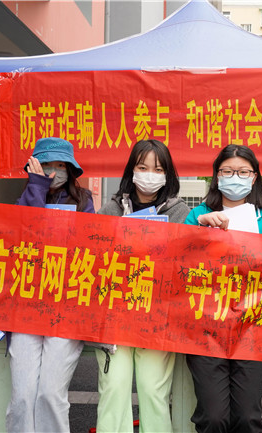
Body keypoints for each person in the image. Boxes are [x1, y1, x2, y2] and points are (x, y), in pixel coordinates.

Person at [184, 144, 262, 433]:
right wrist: (198, 227)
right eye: (227, 171)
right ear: (217, 176)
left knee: (247, 418)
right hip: (206, 329)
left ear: (254, 177)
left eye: (243, 172)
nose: (235, 177)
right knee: (212, 417)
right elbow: (178, 261)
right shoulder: (197, 215)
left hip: (253, 329)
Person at [95, 139, 190, 433]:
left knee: (153, 392)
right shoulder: (110, 209)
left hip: (157, 317)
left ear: (168, 174)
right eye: (143, 167)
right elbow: (94, 257)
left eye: (158, 169)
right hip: (114, 317)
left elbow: (185, 264)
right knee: (113, 389)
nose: (150, 175)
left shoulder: (181, 212)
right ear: (132, 170)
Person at [5, 137, 94, 433]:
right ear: (34, 168)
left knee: (50, 395)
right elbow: (24, 233)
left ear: (71, 169)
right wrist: (37, 187)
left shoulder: (84, 201)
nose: (53, 171)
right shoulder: (25, 198)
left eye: (60, 165)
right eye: (46, 165)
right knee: (22, 396)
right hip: (26, 308)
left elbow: (89, 248)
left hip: (65, 310)